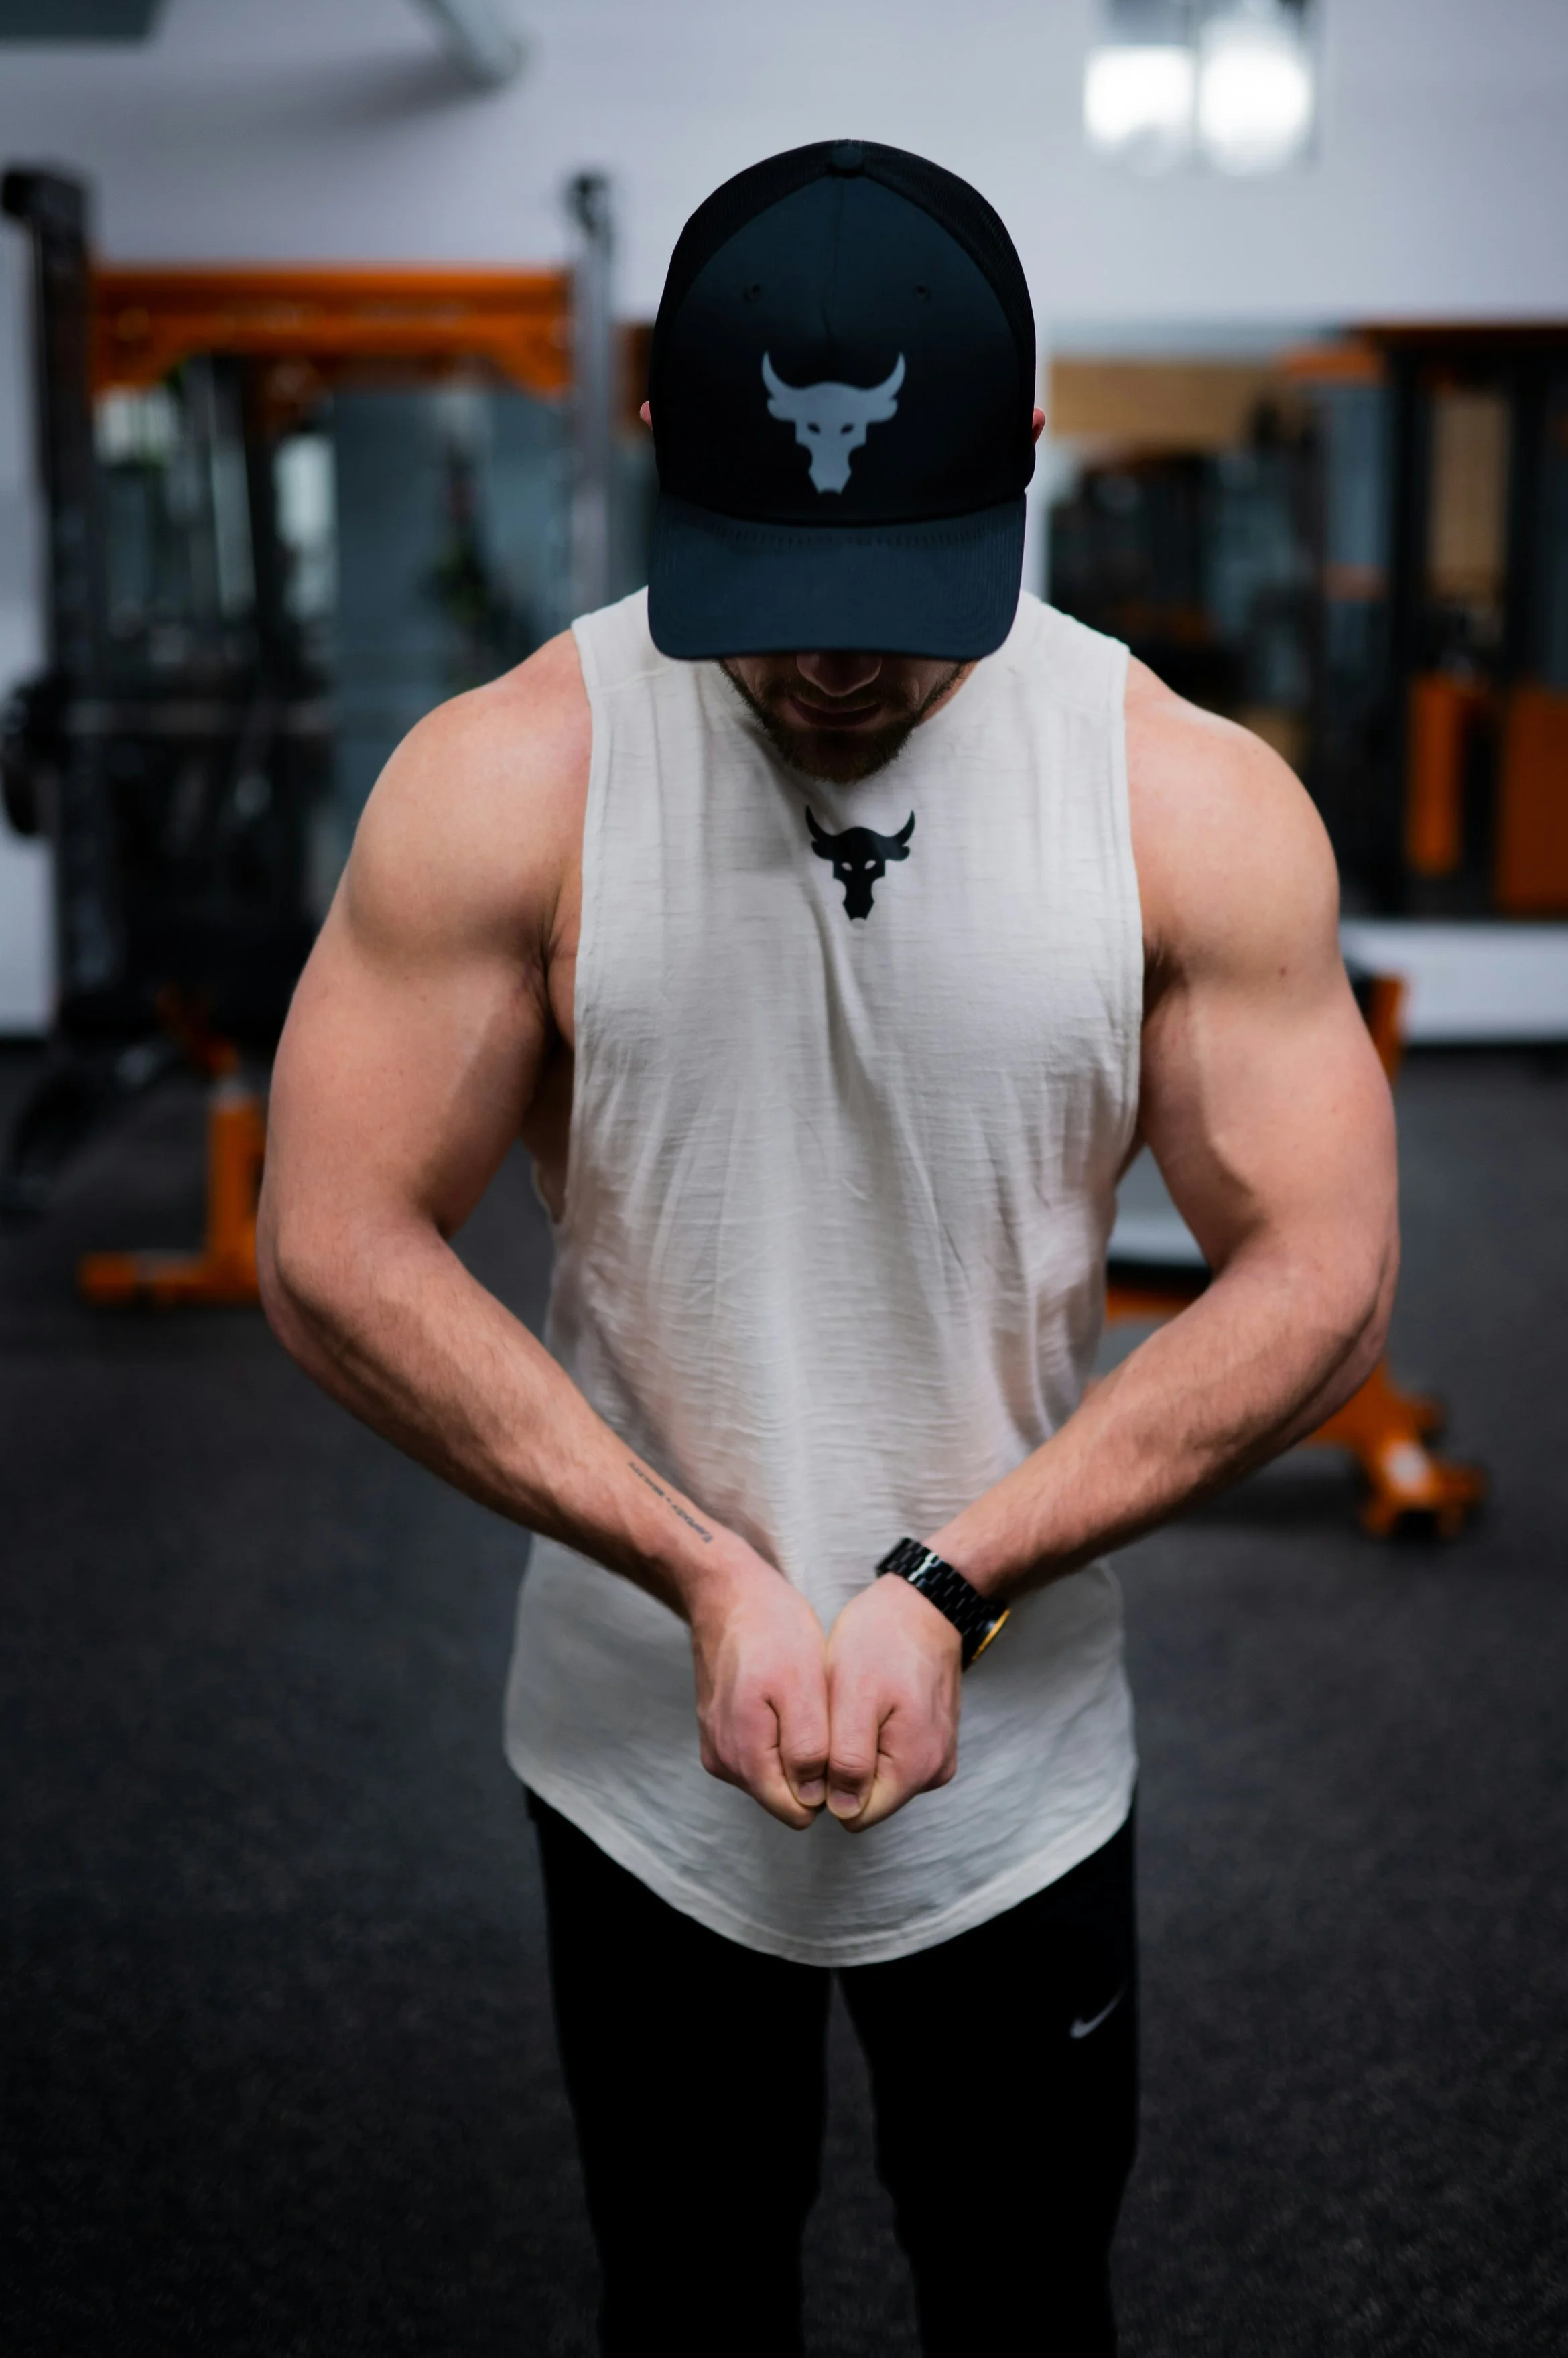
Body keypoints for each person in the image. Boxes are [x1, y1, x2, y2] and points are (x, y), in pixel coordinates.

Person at [259, 139, 1397, 2357]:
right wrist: (697, 1562)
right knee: (685, 2291)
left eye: (901, 595)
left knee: (1021, 2286)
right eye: (773, 584)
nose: (832, 660)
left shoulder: (1184, 801)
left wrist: (949, 1579)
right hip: (630, 1752)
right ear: (666, 447)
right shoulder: (505, 782)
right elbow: (324, 1241)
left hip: (1028, 1761)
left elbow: (1322, 1272)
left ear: (1029, 462)